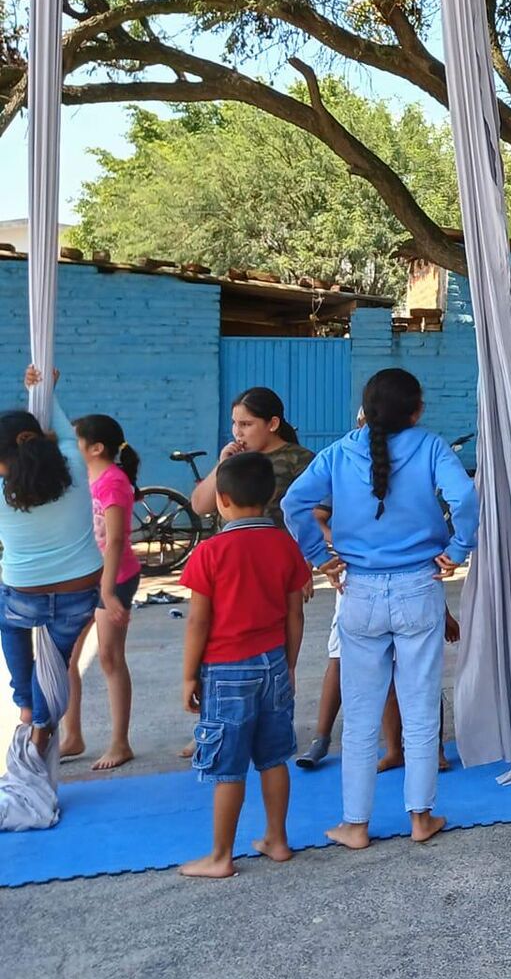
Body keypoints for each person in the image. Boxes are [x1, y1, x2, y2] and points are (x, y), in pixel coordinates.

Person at [282, 367, 475, 848]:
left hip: (359, 592)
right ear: (417, 411)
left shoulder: (338, 452)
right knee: (420, 705)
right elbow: (466, 496)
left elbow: (293, 502)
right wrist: (459, 548)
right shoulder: (431, 446)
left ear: (364, 412)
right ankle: (420, 818)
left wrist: (318, 557)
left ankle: (355, 824)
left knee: (362, 712)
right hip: (419, 587)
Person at [177, 450, 312, 878]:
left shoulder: (210, 553)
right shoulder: (285, 546)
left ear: (222, 499)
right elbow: (296, 614)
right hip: (273, 663)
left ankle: (220, 856)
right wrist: (288, 665)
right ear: (271, 494)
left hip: (224, 671)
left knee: (227, 767)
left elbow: (198, 620)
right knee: (274, 758)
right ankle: (278, 839)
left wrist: (187, 675)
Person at [1, 367, 103, 755]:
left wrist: (42, 389)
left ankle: (25, 705)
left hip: (23, 591)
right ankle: (42, 726)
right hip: (79, 590)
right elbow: (59, 425)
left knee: (11, 628)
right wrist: (45, 391)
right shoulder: (76, 468)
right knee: (56, 661)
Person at [69, 413, 143, 770]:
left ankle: (120, 742)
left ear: (96, 447)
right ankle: (72, 735)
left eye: (76, 440)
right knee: (68, 658)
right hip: (87, 578)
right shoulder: (84, 476)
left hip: (115, 578)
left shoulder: (112, 482)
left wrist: (109, 591)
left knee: (109, 658)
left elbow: (115, 540)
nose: (70, 445)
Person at [190, 387, 315, 527]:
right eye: (234, 423)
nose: (237, 432)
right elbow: (200, 507)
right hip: (230, 545)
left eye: (246, 424)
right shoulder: (235, 459)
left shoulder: (300, 460)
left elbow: (316, 513)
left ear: (273, 424)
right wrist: (222, 464)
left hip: (275, 545)